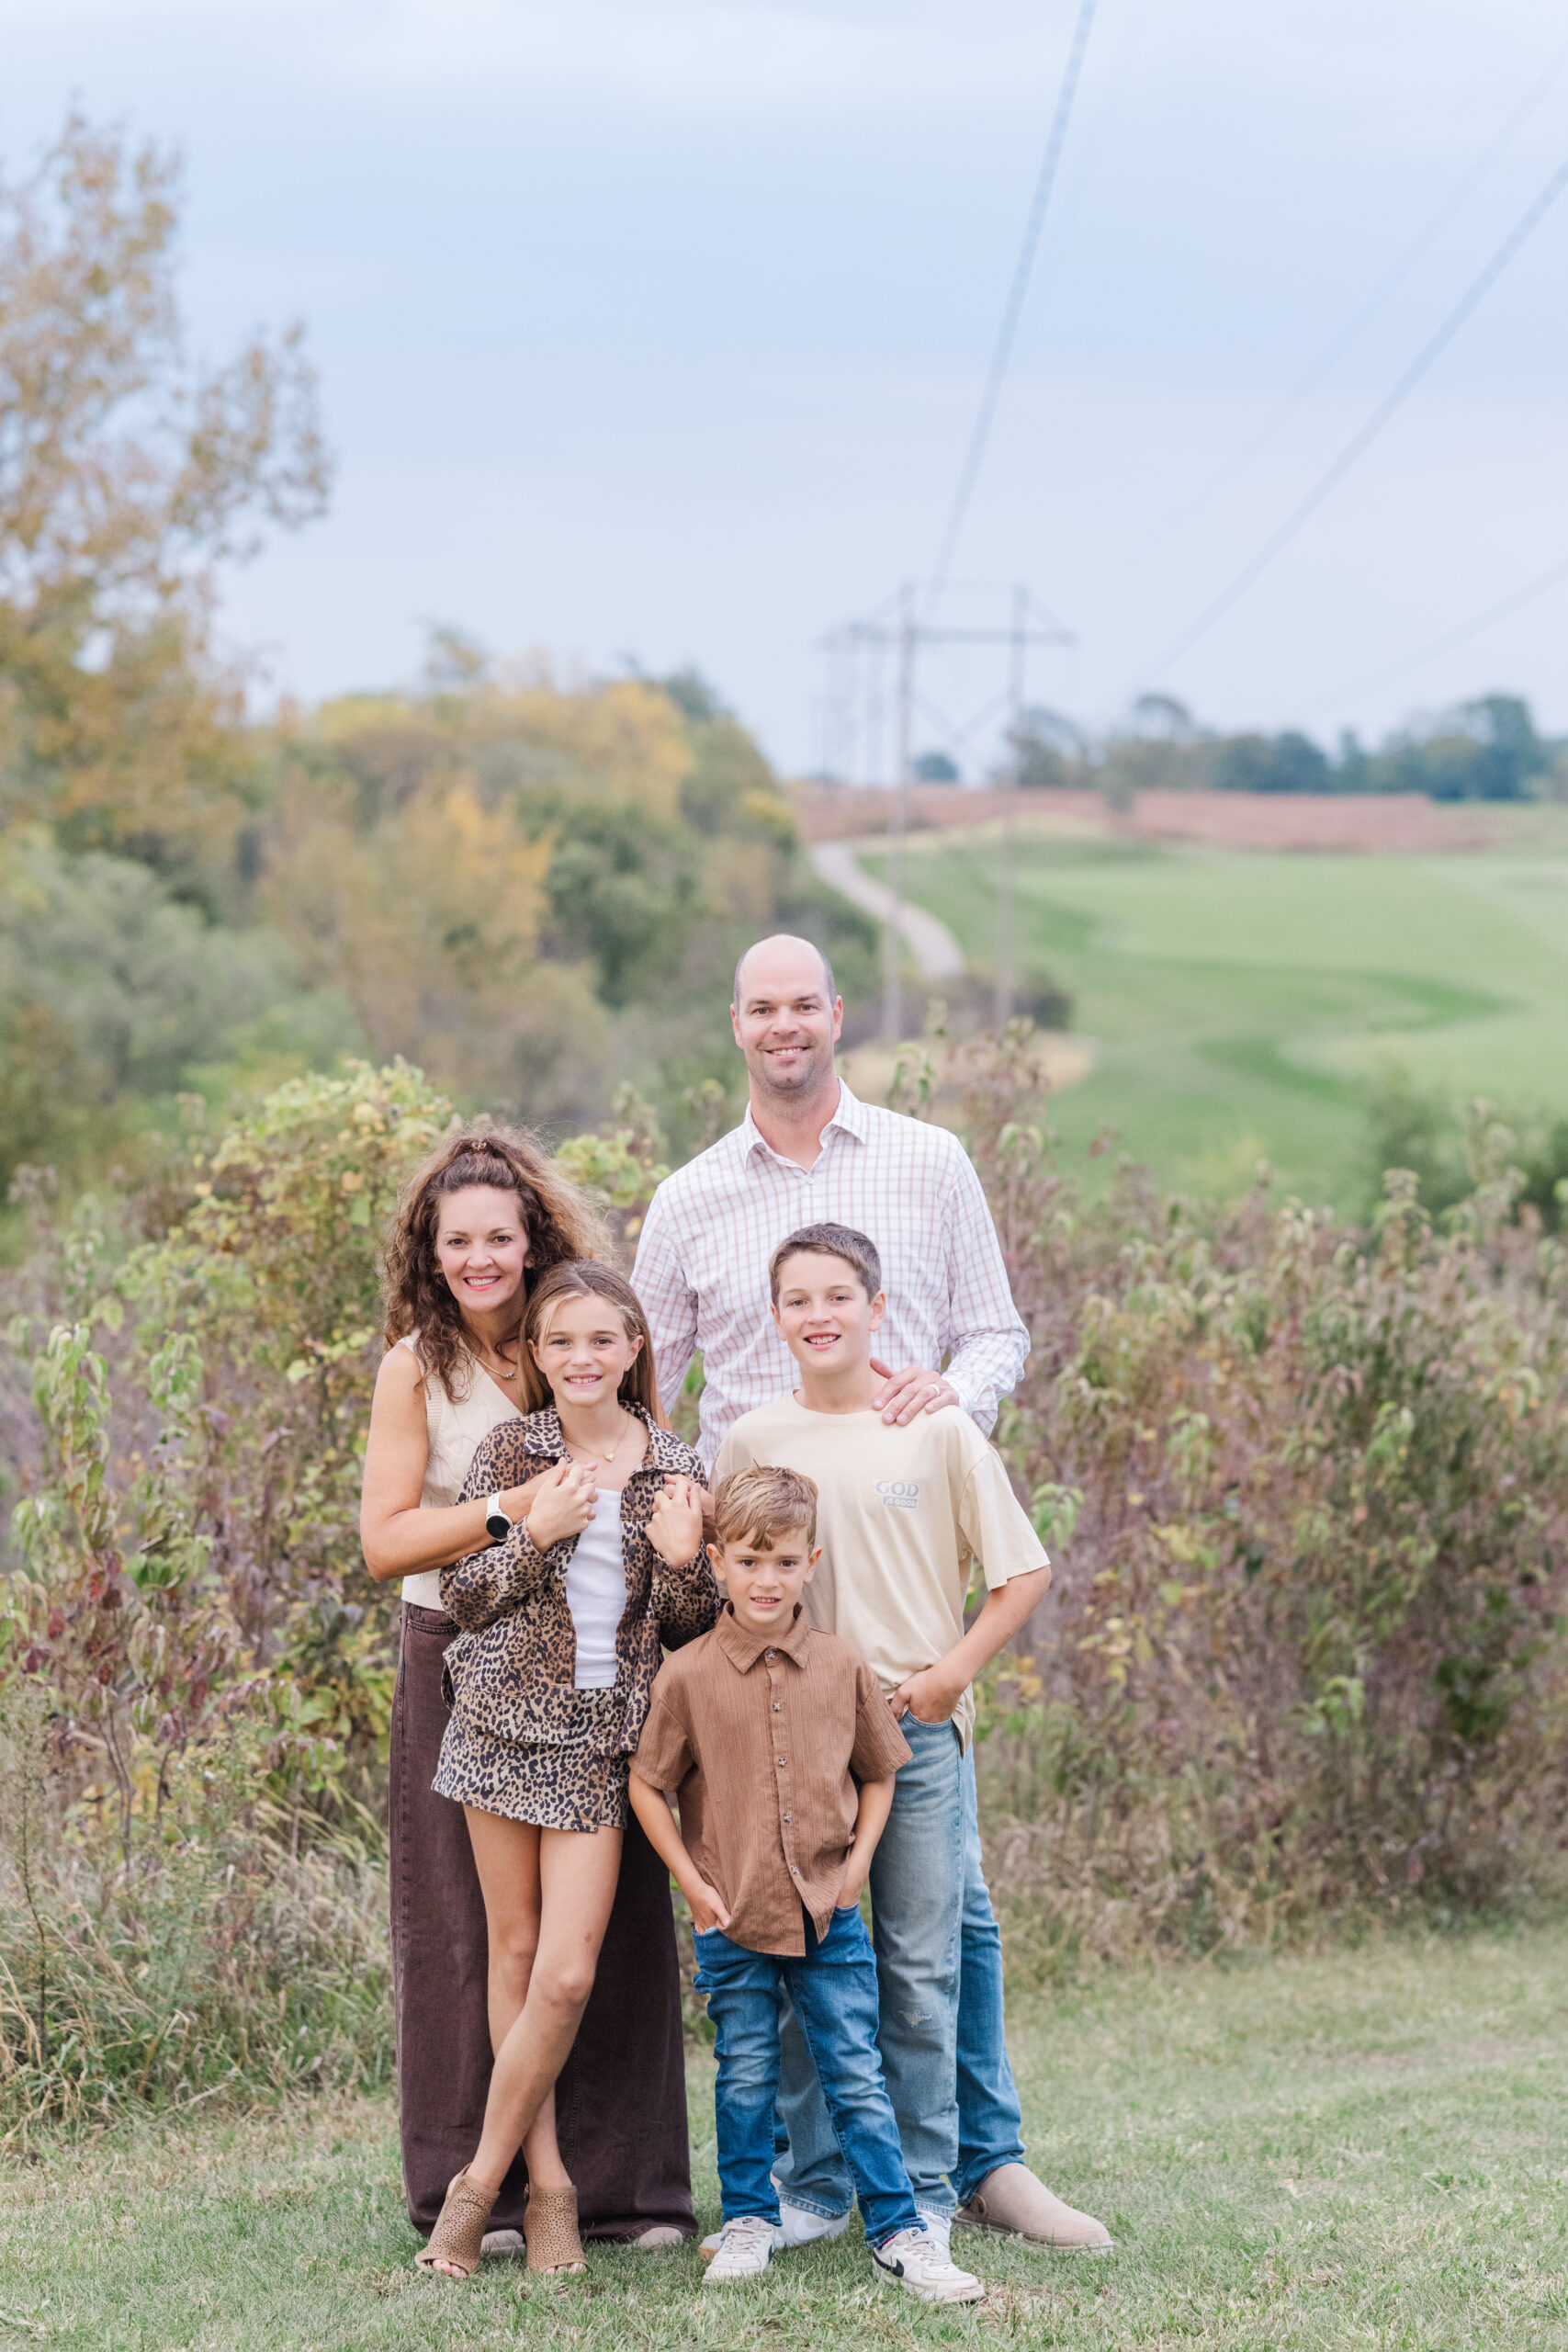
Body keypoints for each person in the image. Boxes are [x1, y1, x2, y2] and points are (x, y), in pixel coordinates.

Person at [713, 1222, 1112, 2256]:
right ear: (775, 1317)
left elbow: (1021, 1573)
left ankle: (930, 2186)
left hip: (913, 1729)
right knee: (800, 1960)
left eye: (839, 1295)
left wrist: (950, 1675)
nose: (820, 1315)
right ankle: (813, 2185)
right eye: (798, 1299)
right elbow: (730, 1579)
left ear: (878, 1308)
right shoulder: (755, 1438)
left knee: (921, 1963)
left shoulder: (933, 1430)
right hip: (792, 1742)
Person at [360, 1133, 695, 2259]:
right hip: (463, 1652)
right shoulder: (422, 1364)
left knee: (608, 1942)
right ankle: (503, 2194)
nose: (479, 1257)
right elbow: (388, 1540)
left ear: (533, 1238)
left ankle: (628, 2194)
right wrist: (515, 1513)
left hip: (600, 1694)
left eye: (499, 1236)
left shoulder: (576, 1341)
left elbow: (663, 1531)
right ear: (432, 1250)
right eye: (457, 1240)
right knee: (477, 1938)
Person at [415, 1261, 719, 2280]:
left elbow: (689, 1632)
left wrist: (685, 1561)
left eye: (602, 1340)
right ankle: (547, 2188)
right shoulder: (515, 1448)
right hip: (497, 1724)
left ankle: (473, 2186)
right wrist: (533, 1532)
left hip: (599, 1742)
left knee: (570, 1969)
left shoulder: (678, 1466)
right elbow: (461, 1594)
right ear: (538, 1358)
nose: (582, 1359)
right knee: (513, 1955)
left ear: (635, 1347)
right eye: (561, 1343)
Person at [629, 1465, 985, 2306]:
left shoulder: (841, 1666)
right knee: (745, 2071)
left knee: (854, 2070)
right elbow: (648, 1784)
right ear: (716, 1564)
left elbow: (879, 1773)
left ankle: (899, 2233)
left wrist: (858, 1864)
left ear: (812, 1563)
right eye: (749, 1562)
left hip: (830, 1915)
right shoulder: (685, 1676)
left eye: (785, 1563)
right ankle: (750, 2218)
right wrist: (690, 1883)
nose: (767, 1580)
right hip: (730, 1914)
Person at [631, 931, 1030, 1465]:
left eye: (804, 1005)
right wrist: (677, 1486)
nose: (784, 1025)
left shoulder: (932, 1162)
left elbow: (995, 1333)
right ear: (737, 1025)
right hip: (749, 1531)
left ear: (836, 1016)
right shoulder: (685, 1200)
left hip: (904, 1512)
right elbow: (639, 1380)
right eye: (763, 1009)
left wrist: (952, 1391)